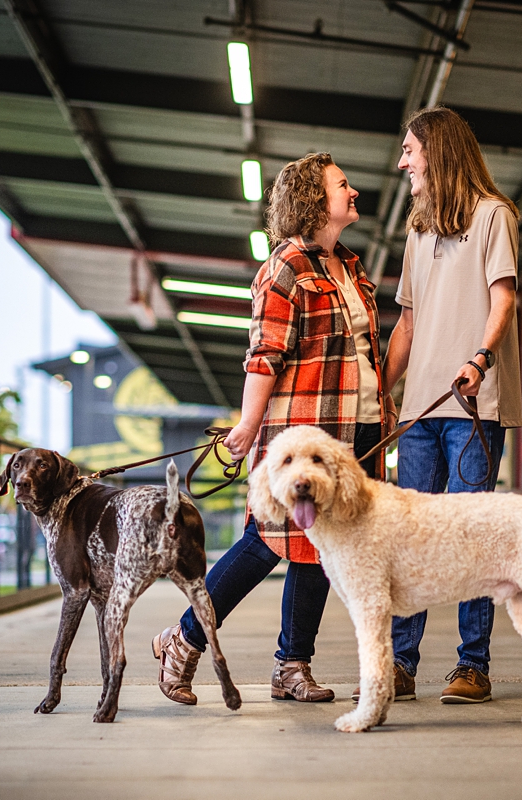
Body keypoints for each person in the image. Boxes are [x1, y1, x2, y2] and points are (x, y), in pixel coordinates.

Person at [153, 152, 389, 704]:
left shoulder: (348, 267)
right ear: (313, 198)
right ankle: (182, 642)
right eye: (343, 185)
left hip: (354, 434)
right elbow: (264, 355)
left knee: (319, 543)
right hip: (300, 434)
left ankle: (291, 665)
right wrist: (247, 424)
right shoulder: (283, 268)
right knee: (265, 542)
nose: (354, 192)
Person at [379, 106, 522, 704]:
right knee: (409, 538)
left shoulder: (495, 216)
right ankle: (401, 664)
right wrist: (381, 392)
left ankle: (473, 666)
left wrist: (480, 359)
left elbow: (503, 299)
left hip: (472, 407)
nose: (404, 161)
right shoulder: (416, 231)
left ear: (437, 151)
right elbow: (406, 322)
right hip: (419, 412)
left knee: (469, 535)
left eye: (411, 149)